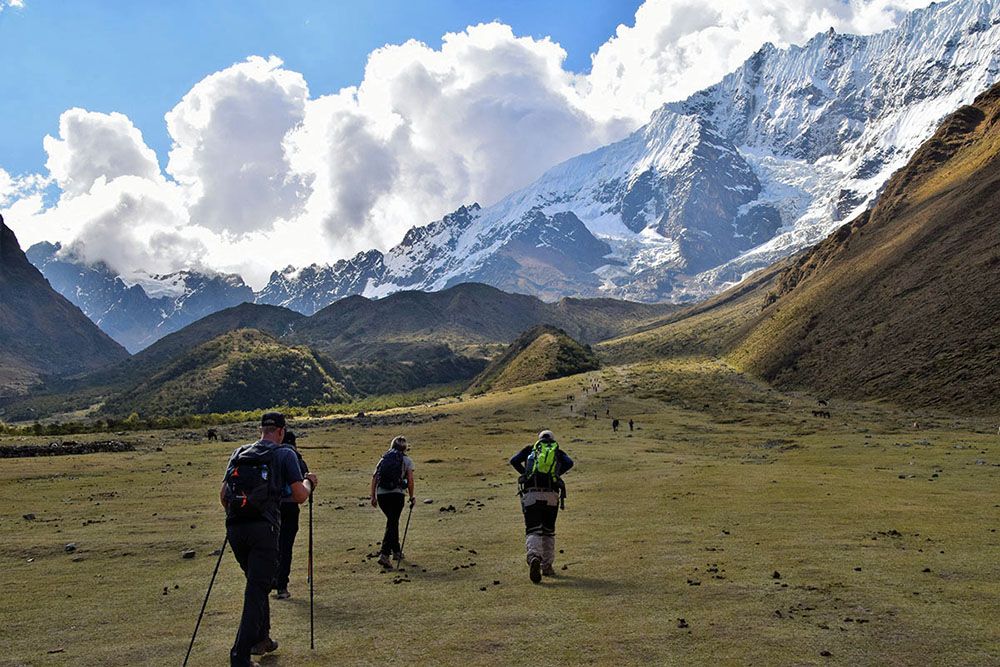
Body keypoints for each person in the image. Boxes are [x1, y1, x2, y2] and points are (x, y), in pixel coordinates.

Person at [220, 412, 318, 667]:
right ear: (281, 431)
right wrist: (309, 482)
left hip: (235, 527)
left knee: (257, 585)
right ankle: (240, 656)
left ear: (260, 430)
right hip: (265, 529)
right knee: (256, 590)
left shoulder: (239, 452)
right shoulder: (285, 454)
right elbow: (299, 496)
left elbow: (223, 494)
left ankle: (262, 639)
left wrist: (242, 513)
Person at [509, 430, 574, 583]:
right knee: (548, 531)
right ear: (552, 440)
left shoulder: (530, 450)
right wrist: (556, 475)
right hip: (551, 495)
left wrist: (526, 474)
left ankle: (533, 557)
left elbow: (513, 460)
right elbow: (570, 463)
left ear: (539, 439)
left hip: (531, 494)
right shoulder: (557, 451)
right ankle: (547, 567)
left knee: (533, 529)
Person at [273, 429, 308, 600]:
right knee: (286, 546)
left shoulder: (271, 455)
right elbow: (303, 482)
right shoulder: (295, 457)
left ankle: (270, 579)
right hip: (291, 506)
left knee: (272, 544)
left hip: (271, 507)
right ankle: (282, 586)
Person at [370, 435, 415, 568]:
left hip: (382, 495)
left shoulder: (383, 459)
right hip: (397, 494)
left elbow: (374, 477)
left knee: (392, 520)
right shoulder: (407, 460)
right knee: (392, 521)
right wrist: (412, 496)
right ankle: (384, 554)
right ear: (405, 448)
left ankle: (396, 551)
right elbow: (410, 481)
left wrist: (373, 496)